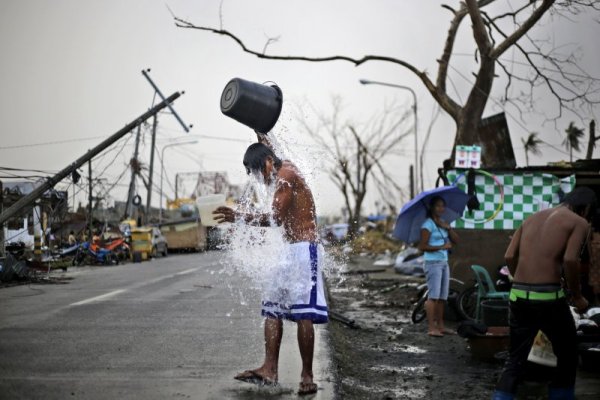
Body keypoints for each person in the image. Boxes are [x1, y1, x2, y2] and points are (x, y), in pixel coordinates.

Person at [214, 142, 328, 396]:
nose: (259, 180)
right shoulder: (278, 169)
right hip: (288, 250)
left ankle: (307, 375)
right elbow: (266, 137)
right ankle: (269, 369)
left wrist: (238, 216)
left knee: (303, 312)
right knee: (272, 307)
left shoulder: (286, 176)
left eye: (258, 172)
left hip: (303, 249)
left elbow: (274, 218)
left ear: (267, 162)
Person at [492, 187, 596, 400]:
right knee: (567, 355)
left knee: (516, 359)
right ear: (585, 209)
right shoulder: (579, 222)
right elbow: (570, 260)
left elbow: (509, 255)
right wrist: (577, 296)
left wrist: (522, 280)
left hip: (518, 297)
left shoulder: (531, 218)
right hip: (549, 300)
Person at [417, 196, 459, 337]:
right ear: (432, 208)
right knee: (433, 296)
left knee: (442, 297)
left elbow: (457, 240)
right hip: (432, 263)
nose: (441, 208)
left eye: (443, 206)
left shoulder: (443, 223)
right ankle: (431, 328)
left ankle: (441, 326)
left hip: (443, 263)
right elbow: (422, 246)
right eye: (438, 206)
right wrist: (442, 246)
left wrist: (448, 227)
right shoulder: (427, 225)